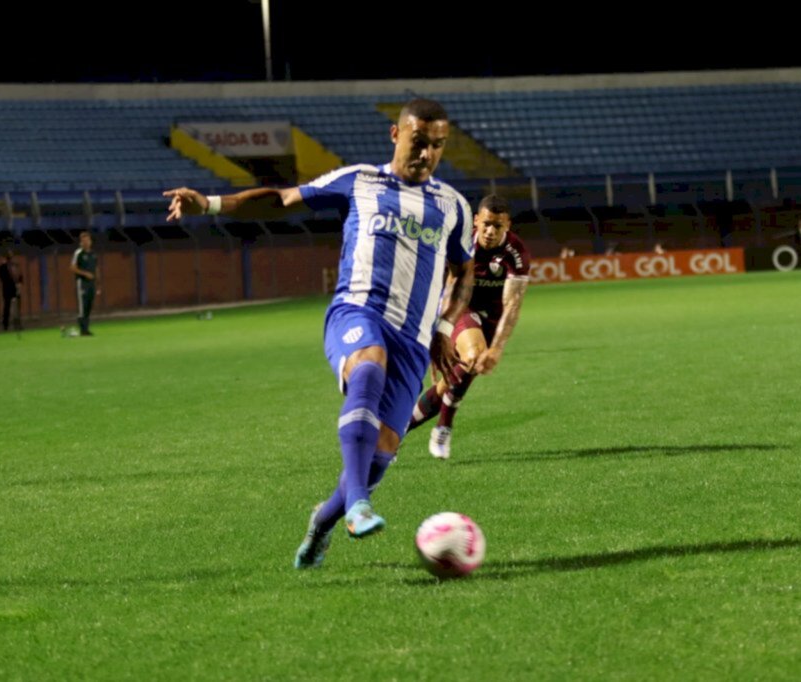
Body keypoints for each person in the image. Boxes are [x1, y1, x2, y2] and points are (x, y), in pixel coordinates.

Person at [163, 98, 476, 570]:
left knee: (380, 457)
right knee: (367, 365)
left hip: (412, 341)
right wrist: (208, 203)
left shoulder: (453, 205)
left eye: (437, 146)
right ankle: (357, 507)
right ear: (395, 135)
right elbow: (282, 199)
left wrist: (443, 327)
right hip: (357, 310)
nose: (426, 154)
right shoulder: (360, 180)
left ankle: (325, 521)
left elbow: (464, 270)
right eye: (418, 142)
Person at [406, 195, 531, 458]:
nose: (490, 231)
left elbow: (512, 305)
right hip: (463, 309)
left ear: (507, 225)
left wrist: (497, 348)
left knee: (451, 382)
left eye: (498, 226)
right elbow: (442, 285)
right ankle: (444, 427)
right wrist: (437, 330)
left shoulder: (516, 253)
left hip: (492, 319)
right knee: (474, 356)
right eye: (486, 223)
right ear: (476, 220)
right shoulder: (460, 242)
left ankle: (395, 432)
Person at [70, 232, 99, 336]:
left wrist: (97, 282)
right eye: (84, 241)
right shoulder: (78, 253)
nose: (86, 242)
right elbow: (72, 267)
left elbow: (96, 268)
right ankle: (83, 329)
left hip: (91, 283)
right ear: (81, 242)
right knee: (82, 306)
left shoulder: (93, 254)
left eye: (88, 240)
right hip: (82, 283)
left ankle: (86, 328)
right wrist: (85, 273)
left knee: (89, 305)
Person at [0, 251, 23, 332]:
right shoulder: (2, 267)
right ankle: (5, 325)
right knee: (7, 307)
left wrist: (19, 283)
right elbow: (2, 278)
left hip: (16, 289)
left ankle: (17, 324)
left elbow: (20, 276)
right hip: (7, 289)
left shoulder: (15, 266)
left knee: (17, 307)